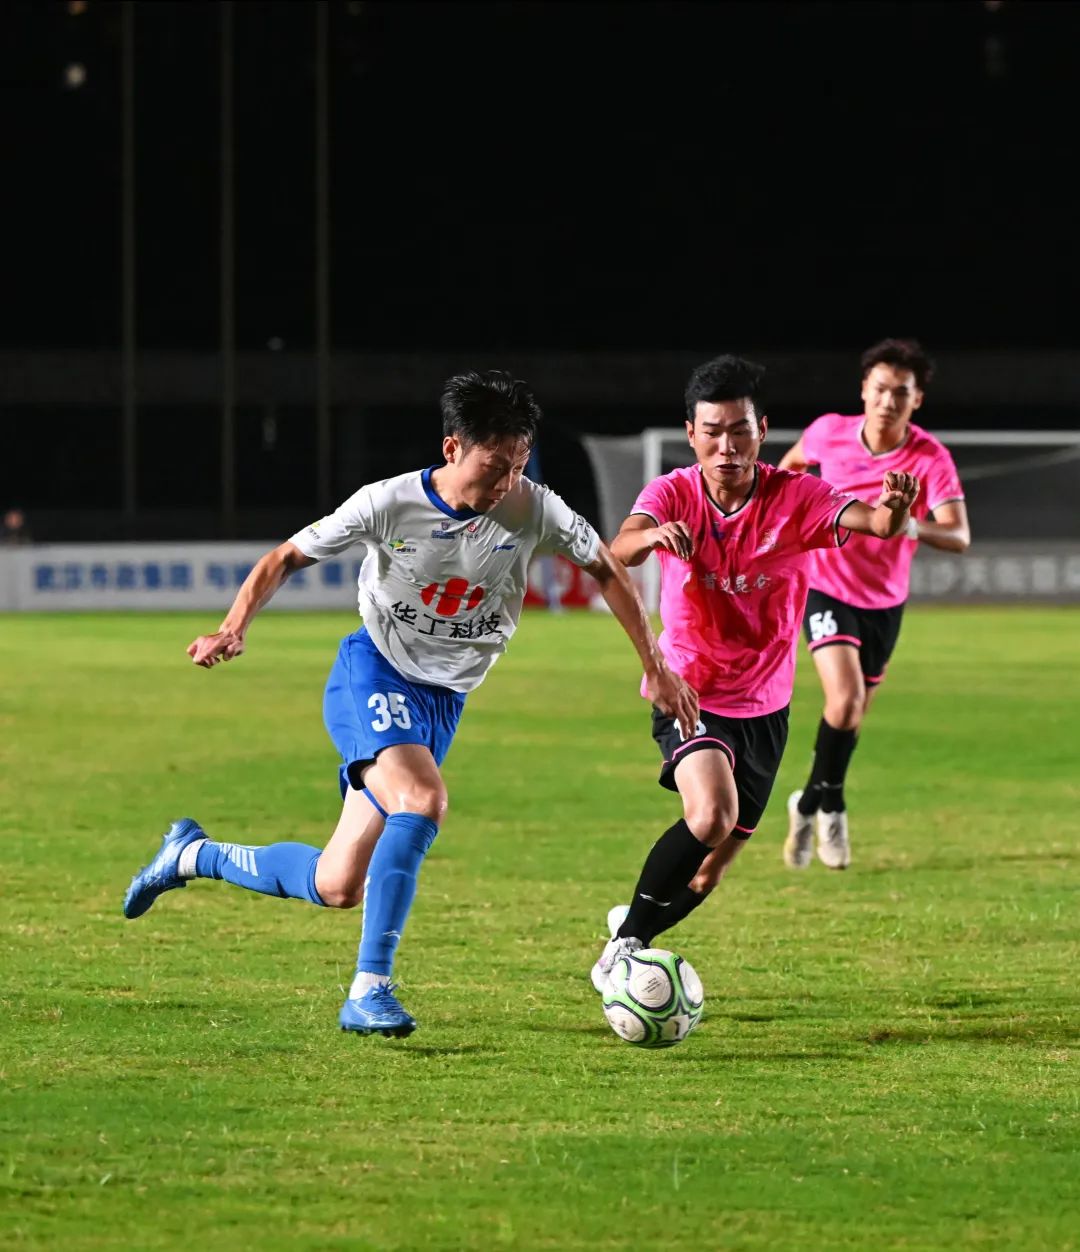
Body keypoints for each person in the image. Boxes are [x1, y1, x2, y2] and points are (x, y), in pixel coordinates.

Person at [123, 370, 697, 1038]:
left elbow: (605, 566)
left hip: (443, 702)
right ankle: (369, 990)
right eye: (493, 467)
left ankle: (191, 854)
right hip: (374, 671)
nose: (505, 483)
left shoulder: (534, 507)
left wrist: (655, 666)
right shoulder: (387, 502)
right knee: (422, 800)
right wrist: (233, 627)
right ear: (452, 448)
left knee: (338, 884)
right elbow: (285, 557)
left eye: (517, 466)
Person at [591, 354, 919, 990]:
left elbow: (876, 523)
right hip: (690, 691)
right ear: (691, 435)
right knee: (711, 815)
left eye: (739, 431)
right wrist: (652, 537)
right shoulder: (672, 493)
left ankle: (629, 934)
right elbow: (618, 549)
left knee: (707, 872)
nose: (727, 447)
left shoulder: (795, 497)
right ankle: (625, 948)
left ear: (761, 431)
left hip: (766, 707)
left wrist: (894, 510)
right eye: (712, 432)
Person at [778, 339, 969, 871]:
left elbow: (959, 535)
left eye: (901, 393)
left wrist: (904, 524)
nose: (888, 401)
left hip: (884, 601)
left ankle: (809, 803)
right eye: (880, 389)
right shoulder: (828, 432)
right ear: (864, 389)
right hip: (825, 584)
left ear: (917, 400)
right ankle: (833, 807)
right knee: (844, 702)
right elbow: (787, 472)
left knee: (852, 716)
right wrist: (796, 521)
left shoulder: (929, 457)